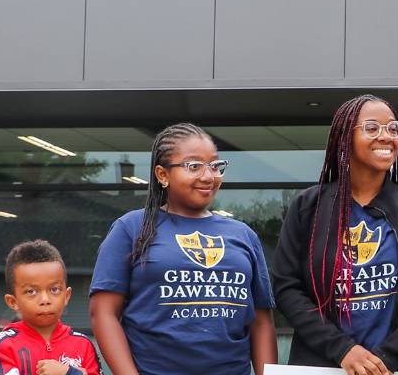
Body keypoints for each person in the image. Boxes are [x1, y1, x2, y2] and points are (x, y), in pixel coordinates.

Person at [273, 95, 398, 375]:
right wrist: (343, 350)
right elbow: (287, 288)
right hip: (324, 365)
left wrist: (387, 358)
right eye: (372, 128)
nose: (386, 137)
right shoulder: (309, 207)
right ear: (345, 138)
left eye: (393, 129)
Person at [90, 123, 276, 375]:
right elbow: (103, 313)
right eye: (194, 166)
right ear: (162, 174)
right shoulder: (131, 228)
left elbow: (261, 322)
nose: (208, 176)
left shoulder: (243, 235)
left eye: (214, 165)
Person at [0, 240, 102, 375]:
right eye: (31, 292)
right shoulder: (3, 345)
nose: (45, 300)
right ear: (13, 302)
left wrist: (69, 372)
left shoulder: (83, 344)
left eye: (54, 289)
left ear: (67, 296)